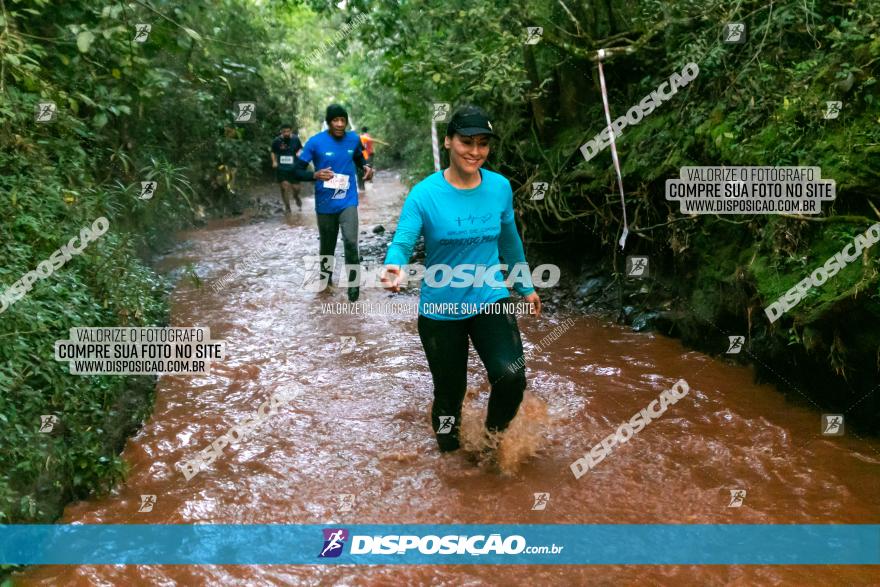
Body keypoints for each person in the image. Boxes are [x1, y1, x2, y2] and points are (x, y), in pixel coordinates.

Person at [381, 105, 541, 455]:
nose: (475, 151)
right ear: (448, 142)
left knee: (511, 377)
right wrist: (395, 265)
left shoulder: (499, 187)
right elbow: (403, 238)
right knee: (450, 394)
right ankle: (450, 462)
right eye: (467, 142)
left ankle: (491, 441)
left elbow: (509, 239)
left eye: (483, 143)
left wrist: (524, 285)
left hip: (489, 297)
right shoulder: (424, 194)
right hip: (441, 310)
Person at [292, 104, 373, 302]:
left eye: (342, 120)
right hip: (325, 203)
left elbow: (357, 157)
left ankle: (353, 293)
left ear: (346, 122)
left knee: (351, 243)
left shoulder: (353, 139)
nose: (339, 124)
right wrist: (315, 174)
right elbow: (296, 170)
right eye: (335, 120)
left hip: (348, 200)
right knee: (327, 247)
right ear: (328, 123)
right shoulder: (315, 142)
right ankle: (325, 285)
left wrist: (366, 167)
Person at [270, 124, 303, 213]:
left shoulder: (296, 139)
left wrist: (299, 154)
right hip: (282, 168)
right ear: (281, 132)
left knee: (296, 188)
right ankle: (287, 208)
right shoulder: (277, 141)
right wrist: (274, 161)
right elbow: (273, 152)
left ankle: (296, 197)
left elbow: (300, 149)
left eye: (288, 131)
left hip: (294, 168)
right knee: (284, 187)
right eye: (284, 131)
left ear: (291, 131)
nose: (286, 133)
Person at [357, 126, 374, 191]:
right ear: (367, 130)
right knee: (369, 168)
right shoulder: (368, 136)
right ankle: (370, 183)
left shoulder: (361, 137)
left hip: (365, 155)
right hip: (370, 154)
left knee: (364, 169)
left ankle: (363, 187)